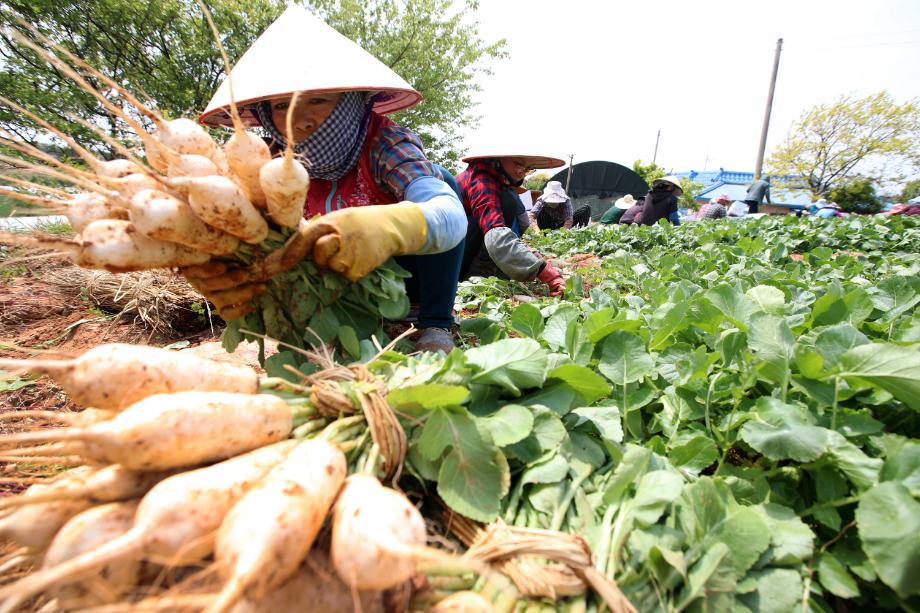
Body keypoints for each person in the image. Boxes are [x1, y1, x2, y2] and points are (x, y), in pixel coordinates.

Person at [186, 6, 467, 353]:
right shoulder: (269, 164)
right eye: (278, 106)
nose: (298, 120)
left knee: (443, 182)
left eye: (317, 100)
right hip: (346, 285)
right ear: (263, 116)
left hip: (411, 277)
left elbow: (450, 215)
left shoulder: (385, 143)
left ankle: (435, 321)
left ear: (353, 102)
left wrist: (395, 225)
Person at [456, 151, 568, 296]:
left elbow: (507, 235)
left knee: (508, 200)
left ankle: (482, 273)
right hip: (448, 259)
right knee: (508, 202)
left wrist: (537, 260)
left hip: (458, 250)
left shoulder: (498, 183)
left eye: (527, 168)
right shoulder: (481, 180)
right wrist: (545, 273)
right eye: (518, 163)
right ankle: (477, 277)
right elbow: (497, 237)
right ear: (498, 157)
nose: (522, 172)